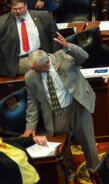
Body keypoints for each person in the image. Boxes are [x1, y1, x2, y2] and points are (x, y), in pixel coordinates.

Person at [23, 39, 100, 170]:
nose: (35, 72)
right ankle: (69, 174)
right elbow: (33, 102)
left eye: (37, 69)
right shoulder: (30, 77)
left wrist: (69, 46)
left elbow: (84, 56)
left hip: (76, 107)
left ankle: (95, 171)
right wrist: (30, 126)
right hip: (55, 114)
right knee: (62, 147)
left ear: (46, 63)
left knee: (88, 143)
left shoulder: (63, 57)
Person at [0, 0, 61, 78]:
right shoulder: (2, 22)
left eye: (20, 8)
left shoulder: (42, 16)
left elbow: (55, 36)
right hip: (19, 61)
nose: (18, 11)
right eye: (15, 9)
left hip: (41, 54)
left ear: (26, 6)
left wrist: (56, 55)